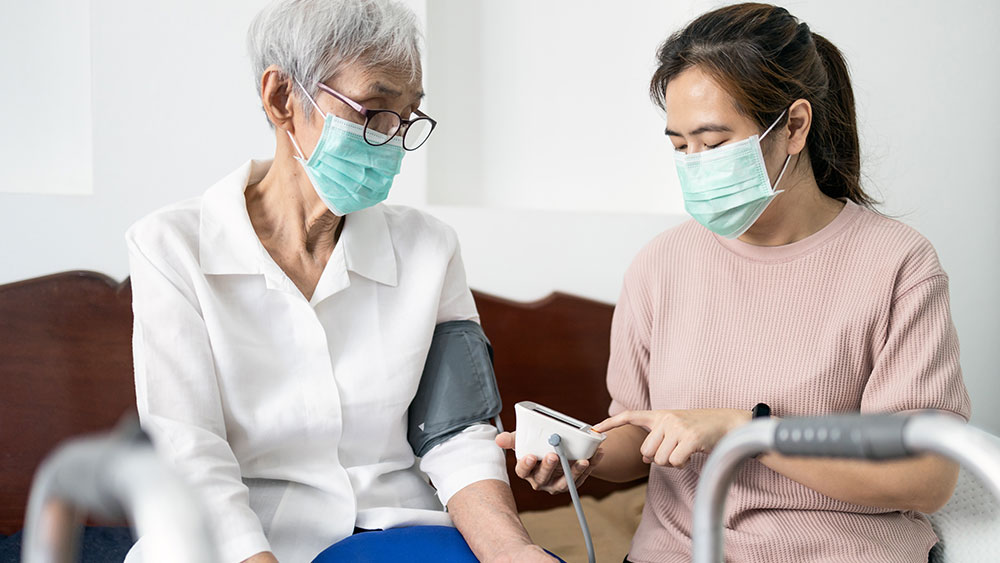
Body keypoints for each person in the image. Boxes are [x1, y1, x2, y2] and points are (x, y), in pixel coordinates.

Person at [497, 3, 971, 562]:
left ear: (794, 126)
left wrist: (747, 432)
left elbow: (927, 476)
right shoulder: (660, 264)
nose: (695, 164)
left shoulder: (897, 264)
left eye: (714, 142)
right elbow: (638, 435)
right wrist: (586, 456)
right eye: (680, 146)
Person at [125, 1, 552, 561]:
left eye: (407, 116)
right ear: (282, 98)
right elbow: (188, 452)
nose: (392, 138)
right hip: (239, 539)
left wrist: (511, 551)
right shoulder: (171, 245)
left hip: (395, 531)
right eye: (373, 110)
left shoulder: (430, 247)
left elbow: (458, 434)